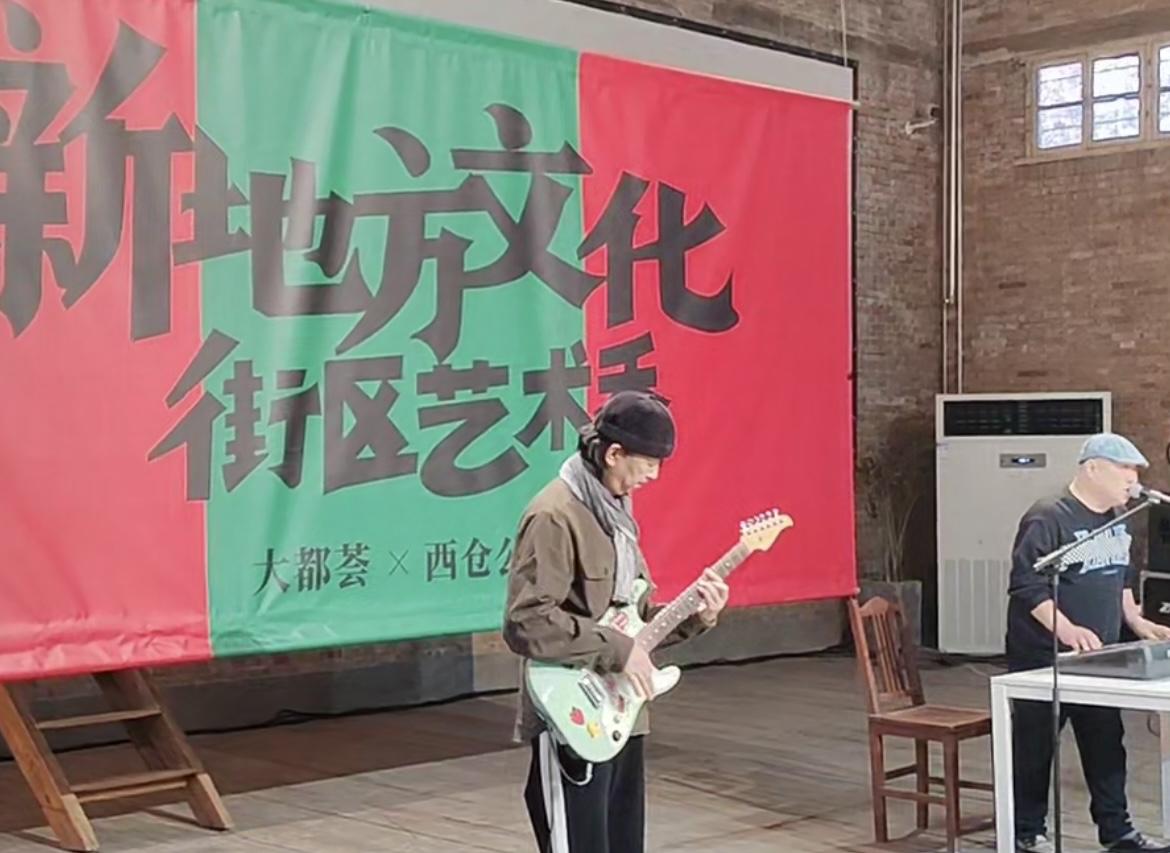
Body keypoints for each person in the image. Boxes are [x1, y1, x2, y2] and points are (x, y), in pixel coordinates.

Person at [502, 390, 730, 853]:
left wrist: (698, 616)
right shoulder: (554, 515)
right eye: (648, 463)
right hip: (569, 714)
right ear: (613, 454)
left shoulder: (616, 516)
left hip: (623, 714)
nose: (654, 475)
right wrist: (619, 650)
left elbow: (634, 622)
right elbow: (526, 623)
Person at [1006, 432, 1170, 853]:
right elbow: (1026, 584)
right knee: (1035, 747)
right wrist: (1067, 630)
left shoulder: (1118, 518)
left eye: (1136, 471)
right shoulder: (1048, 516)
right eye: (1125, 469)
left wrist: (1136, 620)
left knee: (1106, 745)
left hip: (1101, 659)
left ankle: (1117, 832)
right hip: (1045, 658)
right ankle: (1026, 832)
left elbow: (1121, 575)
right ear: (1093, 468)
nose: (1133, 479)